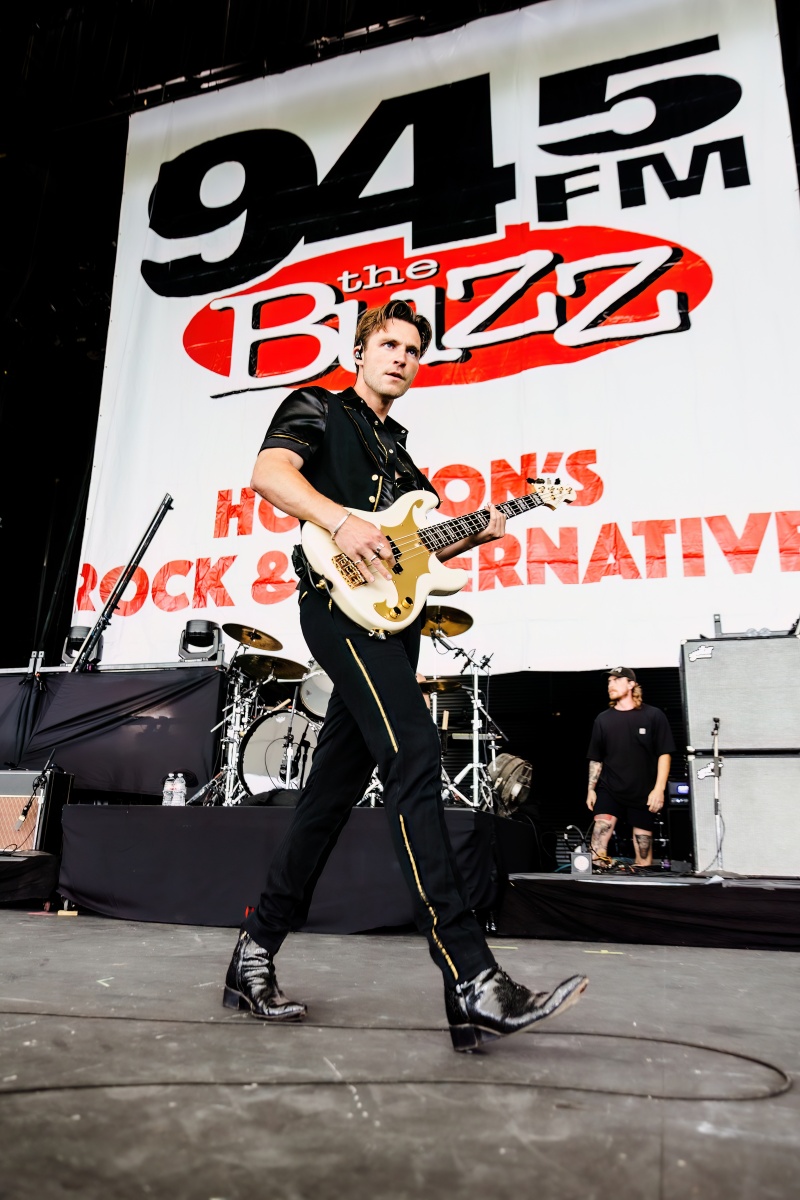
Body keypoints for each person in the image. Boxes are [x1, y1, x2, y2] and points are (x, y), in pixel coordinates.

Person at [223, 300, 587, 1051]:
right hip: (339, 611)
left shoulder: (406, 462)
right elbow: (268, 473)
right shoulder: (319, 408)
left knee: (327, 799)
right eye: (388, 344)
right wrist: (340, 519)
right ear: (360, 351)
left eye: (413, 350)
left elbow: (416, 555)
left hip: (395, 627)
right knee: (416, 754)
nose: (401, 357)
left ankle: (253, 954)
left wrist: (480, 531)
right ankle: (472, 976)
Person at [586, 666, 676, 869]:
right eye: (609, 681)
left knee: (643, 859)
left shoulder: (653, 715)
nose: (611, 685)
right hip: (610, 788)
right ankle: (599, 880)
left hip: (643, 791)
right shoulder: (603, 719)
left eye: (617, 680)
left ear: (631, 684)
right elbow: (596, 758)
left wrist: (659, 789)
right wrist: (591, 789)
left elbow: (664, 754)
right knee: (597, 848)